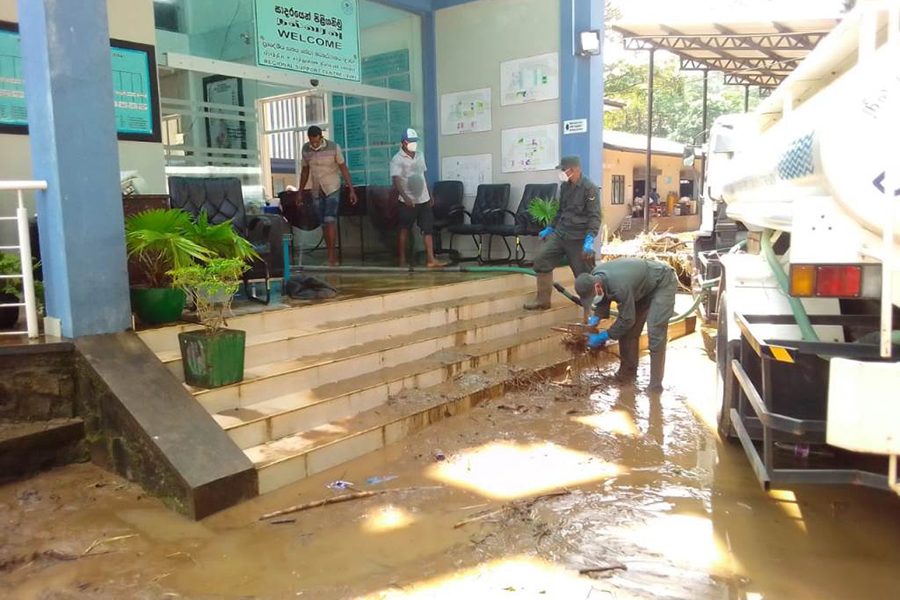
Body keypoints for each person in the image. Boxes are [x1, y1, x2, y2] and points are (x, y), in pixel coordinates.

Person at [575, 257, 678, 392]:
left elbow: (626, 319)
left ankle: (655, 385)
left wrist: (603, 336)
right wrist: (596, 318)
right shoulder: (596, 276)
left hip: (662, 282)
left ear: (597, 286)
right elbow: (602, 298)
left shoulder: (620, 287)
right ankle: (627, 374)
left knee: (655, 330)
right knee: (628, 333)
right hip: (639, 288)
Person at [523, 156, 600, 311]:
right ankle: (542, 301)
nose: (562, 172)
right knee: (541, 260)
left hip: (578, 239)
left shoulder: (589, 188)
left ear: (573, 170)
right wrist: (550, 228)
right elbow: (560, 211)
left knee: (584, 277)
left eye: (564, 169)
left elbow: (594, 216)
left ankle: (590, 312)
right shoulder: (565, 186)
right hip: (561, 235)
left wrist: (589, 239)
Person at [298, 125, 357, 266]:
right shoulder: (306, 149)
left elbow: (343, 168)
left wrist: (351, 190)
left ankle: (332, 257)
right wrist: (299, 192)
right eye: (312, 141)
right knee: (323, 223)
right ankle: (330, 254)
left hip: (332, 188)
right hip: (317, 190)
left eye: (317, 141)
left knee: (329, 220)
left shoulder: (333, 147)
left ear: (321, 137)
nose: (315, 144)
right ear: (309, 139)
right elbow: (305, 172)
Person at [390, 128, 446, 268]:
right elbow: (396, 181)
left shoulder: (420, 155)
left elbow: (423, 175)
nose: (414, 145)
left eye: (416, 142)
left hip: (424, 198)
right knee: (405, 229)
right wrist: (405, 197)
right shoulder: (397, 159)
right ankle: (402, 260)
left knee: (428, 228)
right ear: (404, 142)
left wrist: (430, 193)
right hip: (408, 201)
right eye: (412, 142)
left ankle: (430, 259)